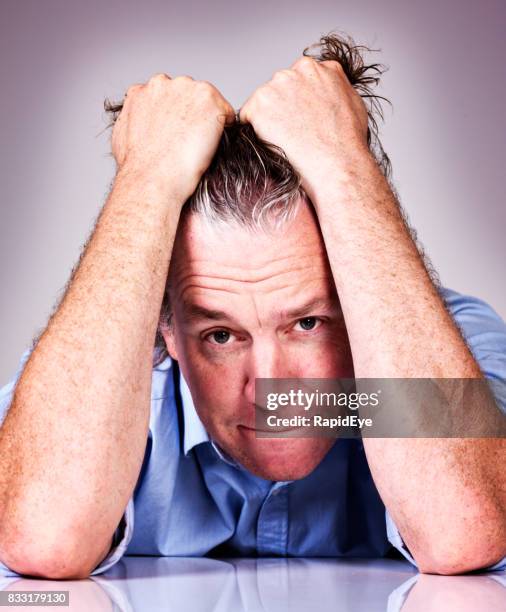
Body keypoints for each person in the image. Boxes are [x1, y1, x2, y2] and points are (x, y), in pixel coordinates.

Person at [0, 33, 505, 580]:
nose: (270, 385)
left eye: (307, 322)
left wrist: (345, 166)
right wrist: (145, 177)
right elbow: (39, 539)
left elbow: (464, 531)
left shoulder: (458, 342)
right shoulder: (92, 371)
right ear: (162, 327)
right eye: (220, 335)